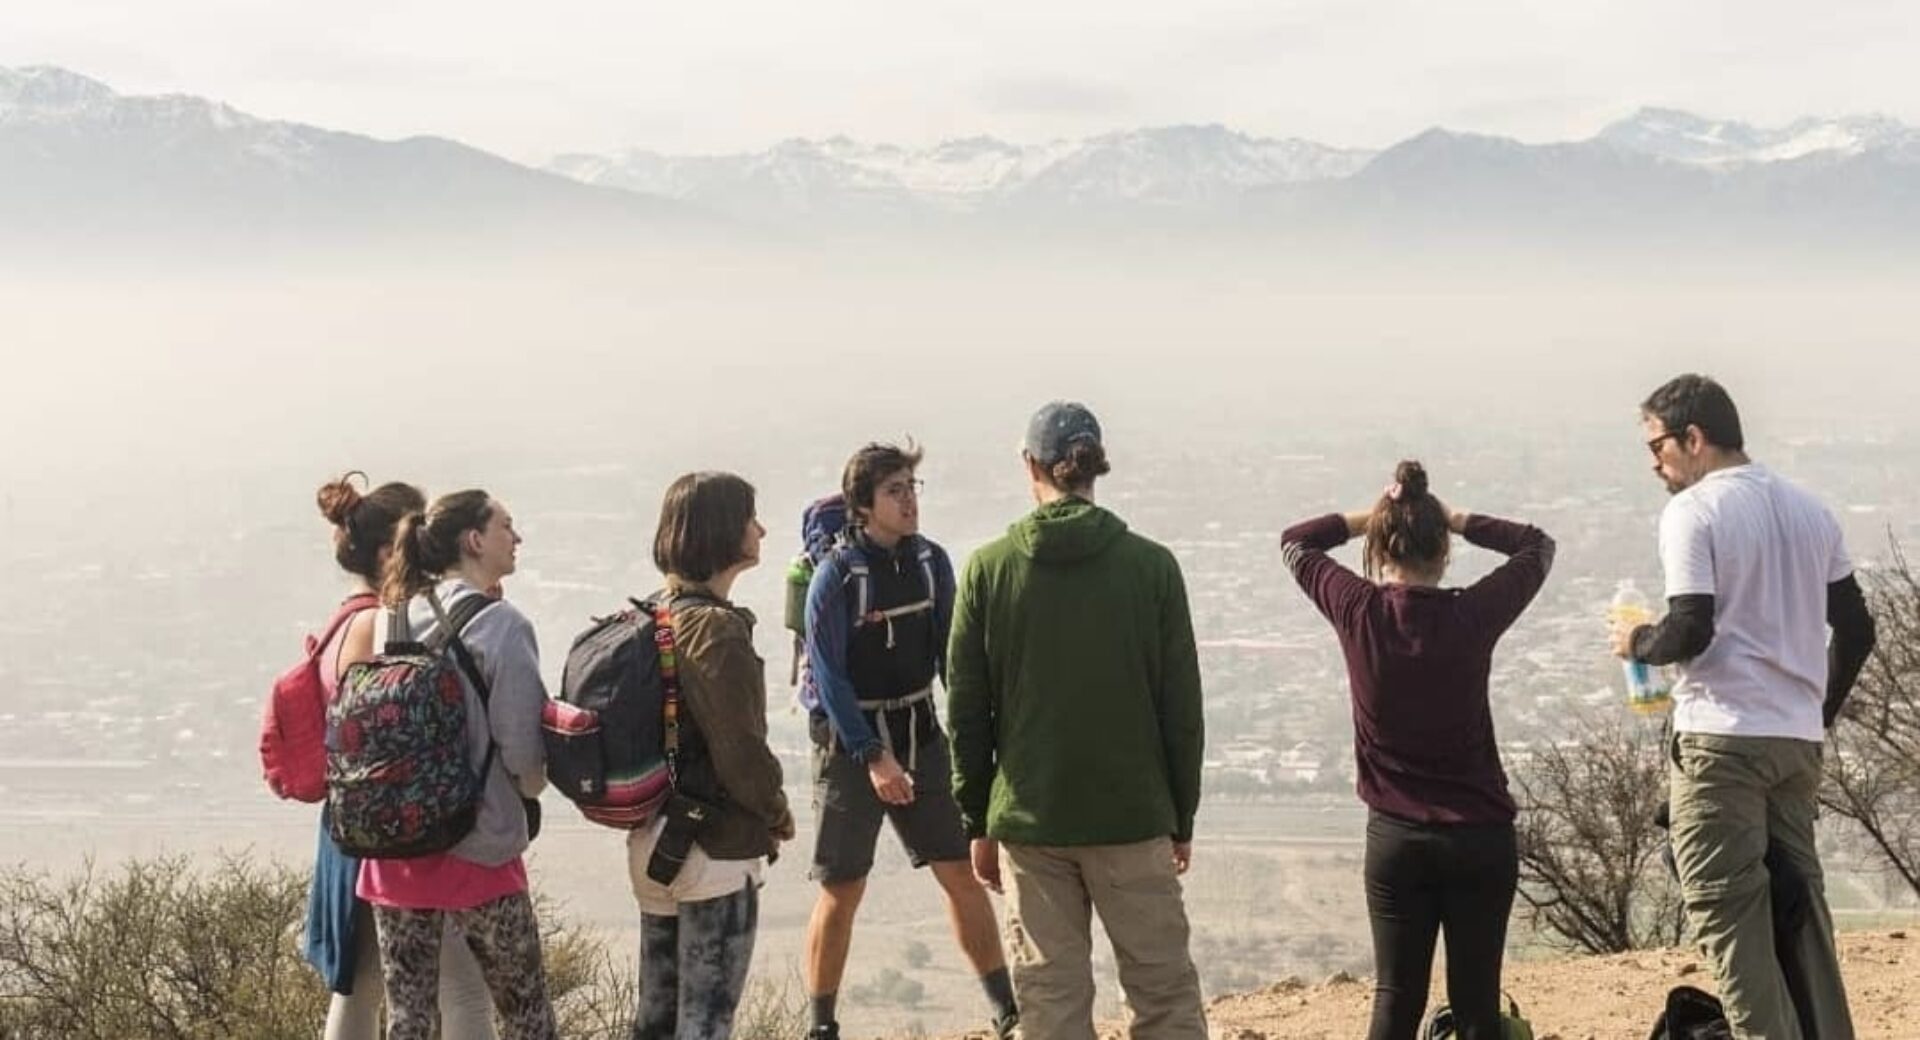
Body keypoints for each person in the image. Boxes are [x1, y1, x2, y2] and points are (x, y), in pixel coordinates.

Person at [1611, 374, 1875, 1040]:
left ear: (1693, 438)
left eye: (1658, 445)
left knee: (1735, 928)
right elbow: (1857, 629)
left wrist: (1635, 641)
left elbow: (1690, 629)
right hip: (1794, 746)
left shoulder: (1694, 512)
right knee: (1802, 918)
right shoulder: (1811, 510)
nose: (1654, 463)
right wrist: (1812, 714)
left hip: (1721, 743)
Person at [947, 401, 1207, 1040]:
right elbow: (1182, 710)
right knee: (1164, 996)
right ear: (1096, 467)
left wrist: (976, 819)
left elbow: (966, 713)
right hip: (1133, 815)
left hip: (1031, 823)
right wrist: (1182, 815)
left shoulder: (988, 569)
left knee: (1051, 1005)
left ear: (1030, 465)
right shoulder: (1152, 568)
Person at [1281, 461, 1555, 1040]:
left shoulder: (1359, 611)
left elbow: (1296, 542)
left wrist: (1373, 517)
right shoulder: (1471, 614)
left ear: (1382, 549)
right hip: (1480, 835)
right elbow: (1537, 548)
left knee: (1395, 1000)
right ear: (1445, 552)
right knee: (1477, 1003)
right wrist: (1456, 518)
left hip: (1396, 838)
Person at [800, 442, 1016, 1040]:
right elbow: (831, 675)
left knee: (958, 872)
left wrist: (981, 734)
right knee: (842, 887)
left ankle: (1005, 1010)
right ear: (862, 505)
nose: (909, 501)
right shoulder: (836, 577)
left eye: (912, 488)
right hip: (850, 744)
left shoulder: (931, 563)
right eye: (895, 490)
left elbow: (950, 655)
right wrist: (874, 756)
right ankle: (821, 1025)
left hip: (920, 732)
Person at [306, 473, 498, 1040]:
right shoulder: (378, 625)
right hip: (396, 824)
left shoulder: (343, 621)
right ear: (393, 550)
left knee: (359, 986)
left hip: (351, 822)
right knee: (455, 988)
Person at [367, 489, 556, 1040]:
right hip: (481, 847)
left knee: (409, 1020)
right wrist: (532, 792)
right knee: (525, 1015)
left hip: (396, 851)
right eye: (506, 526)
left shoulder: (392, 617)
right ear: (475, 541)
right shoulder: (503, 626)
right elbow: (523, 755)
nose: (516, 538)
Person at [628, 471, 794, 1040]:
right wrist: (776, 810)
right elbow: (740, 751)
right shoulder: (716, 630)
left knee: (655, 1022)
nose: (762, 530)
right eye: (751, 518)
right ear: (724, 530)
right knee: (706, 1023)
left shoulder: (653, 614)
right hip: (714, 851)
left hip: (653, 841)